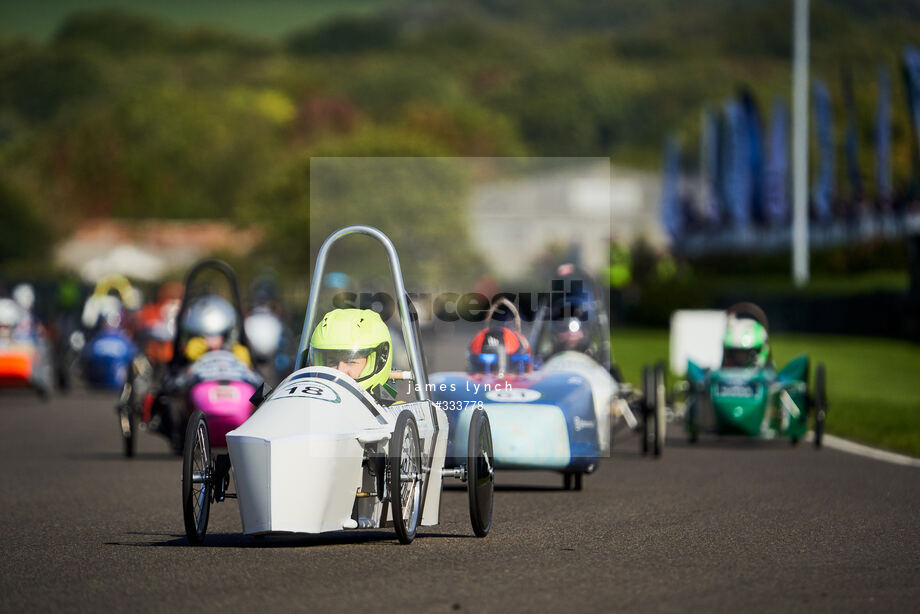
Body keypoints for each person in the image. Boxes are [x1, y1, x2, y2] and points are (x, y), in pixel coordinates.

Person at [307, 308, 392, 397]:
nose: (340, 371)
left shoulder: (391, 410)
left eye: (350, 361)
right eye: (332, 362)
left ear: (379, 360)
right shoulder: (308, 404)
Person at [181, 295, 251, 366]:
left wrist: (245, 367)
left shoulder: (236, 353)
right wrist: (187, 360)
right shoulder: (195, 349)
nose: (213, 340)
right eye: (208, 335)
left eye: (218, 334)